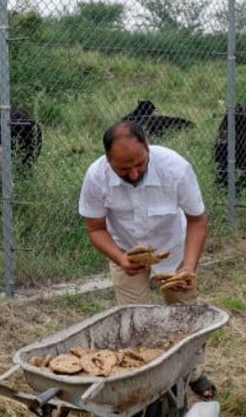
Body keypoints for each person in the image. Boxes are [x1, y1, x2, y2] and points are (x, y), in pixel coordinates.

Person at [78, 119, 214, 399]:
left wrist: (188, 266)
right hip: (125, 253)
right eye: (123, 168)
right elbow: (95, 229)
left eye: (140, 163)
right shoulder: (96, 176)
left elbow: (197, 220)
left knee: (183, 316)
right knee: (133, 321)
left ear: (148, 148)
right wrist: (119, 257)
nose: (134, 172)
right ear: (108, 159)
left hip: (174, 250)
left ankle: (192, 373)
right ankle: (145, 381)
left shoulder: (175, 168)